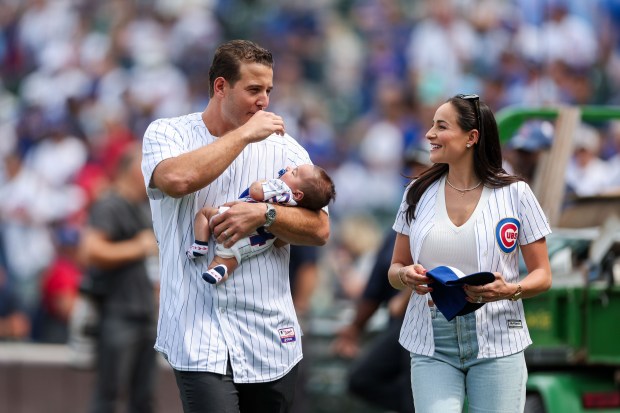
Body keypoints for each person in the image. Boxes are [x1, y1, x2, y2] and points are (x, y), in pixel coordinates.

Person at [141, 39, 331, 413]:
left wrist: (265, 215)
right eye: (254, 90)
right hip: (198, 330)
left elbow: (321, 230)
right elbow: (177, 180)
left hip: (269, 335)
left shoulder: (286, 148)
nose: (264, 101)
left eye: (269, 91)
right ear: (220, 87)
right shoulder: (167, 133)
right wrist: (242, 135)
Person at [387, 94, 552, 412]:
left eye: (441, 126)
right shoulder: (416, 193)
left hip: (499, 339)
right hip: (431, 341)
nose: (429, 134)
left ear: (471, 138)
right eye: (432, 125)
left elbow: (543, 275)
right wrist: (405, 276)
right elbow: (395, 269)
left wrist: (510, 290)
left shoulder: (515, 194)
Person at [79, 145, 159, 413]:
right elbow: (91, 250)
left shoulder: (145, 207)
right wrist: (138, 247)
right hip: (117, 311)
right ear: (129, 169)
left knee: (144, 398)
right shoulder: (110, 204)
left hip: (145, 312)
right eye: (144, 165)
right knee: (109, 395)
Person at [186, 164, 335, 285]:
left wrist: (262, 183)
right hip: (259, 242)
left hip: (231, 218)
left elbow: (255, 191)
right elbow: (280, 242)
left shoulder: (281, 188)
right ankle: (220, 270)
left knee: (204, 214)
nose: (289, 168)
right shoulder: (297, 206)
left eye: (294, 173)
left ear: (298, 194)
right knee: (231, 256)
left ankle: (201, 243)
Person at [332, 230, 414, 413]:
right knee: (362, 380)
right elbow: (374, 290)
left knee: (414, 396)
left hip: (427, 323)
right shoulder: (396, 232)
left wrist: (405, 298)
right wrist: (354, 328)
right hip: (400, 327)